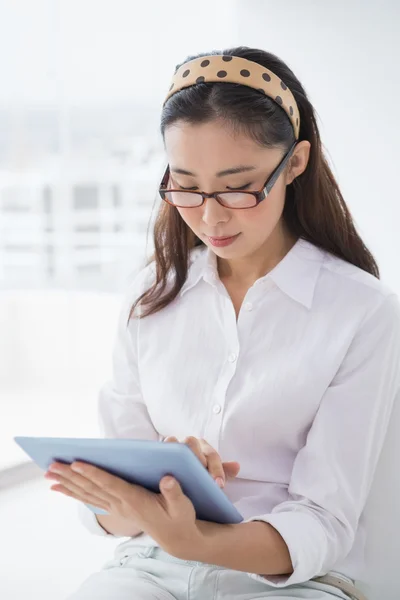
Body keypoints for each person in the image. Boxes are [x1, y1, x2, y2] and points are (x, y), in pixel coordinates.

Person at [46, 47, 400, 600]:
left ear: (296, 162)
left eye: (239, 186)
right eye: (186, 184)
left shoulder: (362, 310)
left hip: (289, 583)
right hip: (146, 567)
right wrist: (154, 492)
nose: (210, 216)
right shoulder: (150, 296)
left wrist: (197, 539)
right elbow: (111, 511)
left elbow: (324, 520)